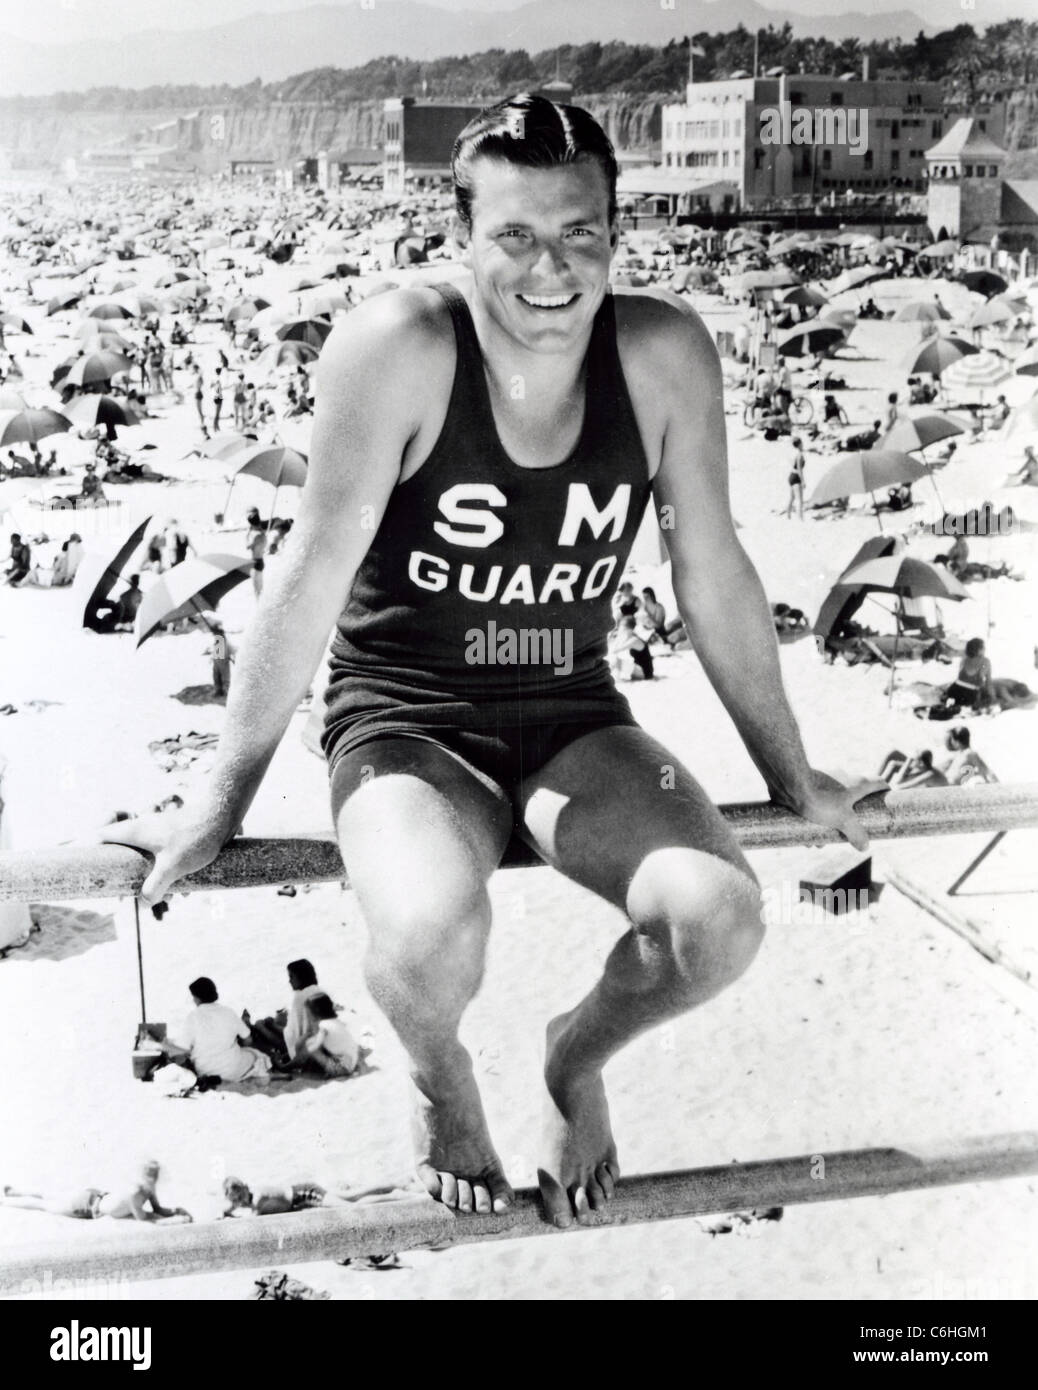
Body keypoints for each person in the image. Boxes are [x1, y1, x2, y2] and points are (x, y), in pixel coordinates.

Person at [102, 94, 880, 1229]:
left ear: (619, 233)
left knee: (720, 916)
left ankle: (573, 1056)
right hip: (406, 721)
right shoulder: (400, 346)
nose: (550, 269)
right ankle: (439, 1070)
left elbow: (712, 570)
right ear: (460, 238)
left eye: (580, 234)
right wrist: (221, 802)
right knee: (424, 933)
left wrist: (794, 770)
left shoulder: (662, 354)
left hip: (574, 716)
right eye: (514, 235)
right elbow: (309, 576)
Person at [159, 976, 272, 1083]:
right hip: (233, 1069)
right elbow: (248, 1040)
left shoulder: (192, 1017)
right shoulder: (228, 1012)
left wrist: (165, 1045)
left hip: (206, 1071)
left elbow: (182, 1049)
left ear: (197, 998)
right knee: (256, 1055)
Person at [2, 1161, 191, 1224]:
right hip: (87, 1207)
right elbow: (145, 1217)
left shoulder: (146, 1189)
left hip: (94, 1195)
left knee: (49, 1196)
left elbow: (158, 1209)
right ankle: (6, 1201)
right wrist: (174, 1220)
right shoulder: (134, 1194)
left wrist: (174, 1211)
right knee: (43, 1205)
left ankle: (16, 1192)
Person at [303, 992, 361, 1077]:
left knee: (311, 1046)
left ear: (315, 1013)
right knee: (315, 1042)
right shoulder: (335, 1021)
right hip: (352, 1059)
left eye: (309, 1013)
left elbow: (316, 1046)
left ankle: (328, 1070)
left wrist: (305, 1051)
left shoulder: (323, 1026)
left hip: (343, 1067)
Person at [943, 637, 995, 712]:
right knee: (986, 699)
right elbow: (988, 682)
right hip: (970, 694)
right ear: (979, 649)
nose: (985, 649)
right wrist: (992, 697)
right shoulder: (986, 661)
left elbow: (961, 678)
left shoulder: (964, 658)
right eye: (983, 647)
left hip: (953, 691)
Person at [206, 619, 234, 696]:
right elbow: (215, 649)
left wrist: (232, 657)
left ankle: (226, 691)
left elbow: (230, 649)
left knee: (225, 676)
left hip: (223, 659)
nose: (214, 633)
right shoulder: (217, 639)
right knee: (216, 676)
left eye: (216, 632)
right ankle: (218, 690)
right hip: (217, 659)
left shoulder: (223, 639)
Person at [785, 437, 806, 520]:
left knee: (792, 498)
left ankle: (788, 515)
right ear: (800, 444)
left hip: (791, 475)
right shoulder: (799, 455)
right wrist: (803, 481)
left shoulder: (793, 453)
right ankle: (800, 518)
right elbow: (799, 469)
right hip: (796, 477)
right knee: (800, 500)